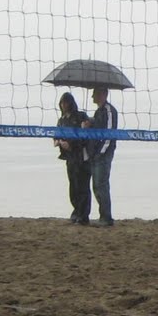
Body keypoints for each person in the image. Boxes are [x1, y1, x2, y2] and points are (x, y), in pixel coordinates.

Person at [54, 92, 92, 225]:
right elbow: (56, 136)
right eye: (62, 103)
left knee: (83, 186)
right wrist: (60, 142)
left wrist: (71, 144)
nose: (64, 105)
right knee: (73, 186)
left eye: (66, 102)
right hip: (69, 157)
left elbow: (85, 135)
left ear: (71, 103)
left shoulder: (80, 116)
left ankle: (83, 215)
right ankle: (76, 212)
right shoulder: (61, 120)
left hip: (81, 156)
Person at [88, 85, 118, 227]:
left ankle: (106, 217)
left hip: (103, 154)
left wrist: (101, 152)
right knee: (96, 185)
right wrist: (90, 123)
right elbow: (97, 129)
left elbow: (109, 134)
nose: (92, 96)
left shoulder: (109, 110)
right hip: (95, 153)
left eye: (95, 93)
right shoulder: (98, 112)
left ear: (103, 94)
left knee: (101, 184)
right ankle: (103, 216)